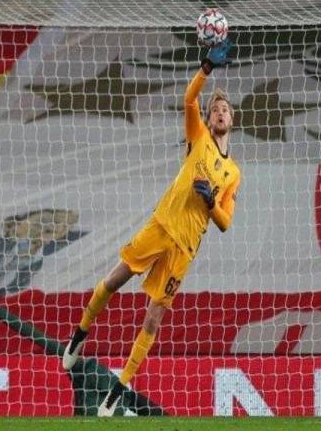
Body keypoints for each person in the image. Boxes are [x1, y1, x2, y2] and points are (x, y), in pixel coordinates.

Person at [62, 38, 240, 416]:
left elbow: (226, 222)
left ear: (233, 119)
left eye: (224, 109)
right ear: (209, 120)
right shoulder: (199, 138)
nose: (219, 112)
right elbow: (190, 100)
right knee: (114, 281)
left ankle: (118, 389)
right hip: (162, 225)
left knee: (153, 319)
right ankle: (80, 332)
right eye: (216, 109)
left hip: (185, 249)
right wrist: (206, 69)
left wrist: (211, 201)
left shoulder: (234, 174)